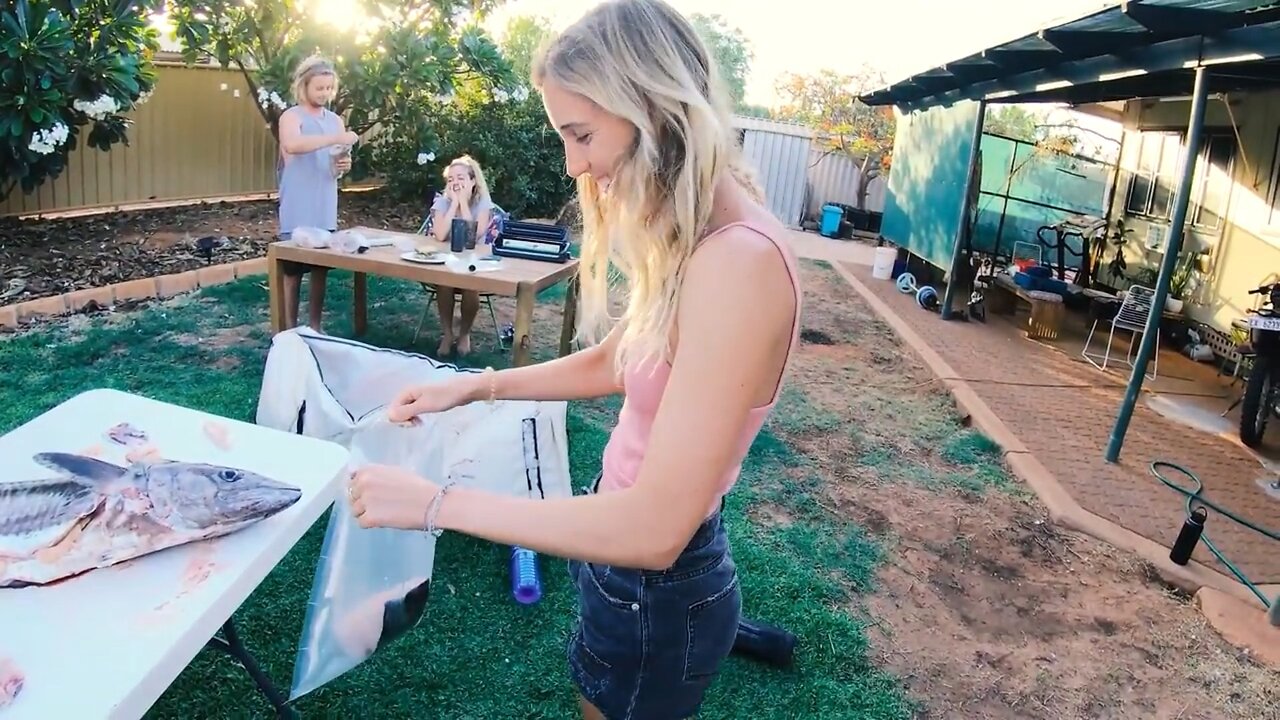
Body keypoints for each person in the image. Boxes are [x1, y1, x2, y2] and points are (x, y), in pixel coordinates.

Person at [345, 1, 802, 718]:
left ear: (652, 105)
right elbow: (615, 364)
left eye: (581, 134)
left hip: (659, 586)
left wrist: (436, 504)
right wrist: (472, 387)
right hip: (619, 561)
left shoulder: (741, 264)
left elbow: (654, 531)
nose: (573, 164)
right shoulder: (700, 242)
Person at [276, 54, 359, 331]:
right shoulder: (291, 117)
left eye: (328, 88)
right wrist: (335, 139)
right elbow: (293, 146)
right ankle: (289, 328)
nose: (324, 94)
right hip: (298, 201)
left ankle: (314, 326)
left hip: (324, 201)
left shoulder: (335, 120)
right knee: (293, 268)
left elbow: (335, 162)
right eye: (319, 88)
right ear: (304, 86)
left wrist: (343, 165)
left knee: (320, 267)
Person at [428, 155, 494, 357]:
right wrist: (454, 204)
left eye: (460, 178)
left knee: (470, 287)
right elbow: (440, 235)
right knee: (444, 283)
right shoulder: (442, 201)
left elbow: (471, 239)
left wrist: (464, 204)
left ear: (473, 181)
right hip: (446, 261)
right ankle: (447, 334)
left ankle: (464, 333)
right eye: (451, 179)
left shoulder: (483, 203)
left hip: (474, 265)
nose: (455, 183)